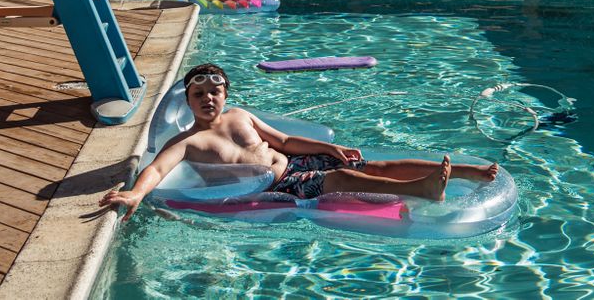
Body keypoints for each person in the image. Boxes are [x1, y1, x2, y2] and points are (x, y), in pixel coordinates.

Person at [99, 63, 499, 221]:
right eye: (198, 94)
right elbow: (157, 168)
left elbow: (285, 140)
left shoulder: (240, 115)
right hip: (279, 184)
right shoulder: (189, 141)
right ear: (188, 101)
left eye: (214, 92)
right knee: (340, 179)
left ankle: (468, 172)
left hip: (296, 163)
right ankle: (423, 190)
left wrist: (328, 148)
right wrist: (135, 193)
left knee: (372, 165)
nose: (208, 99)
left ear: (225, 94)